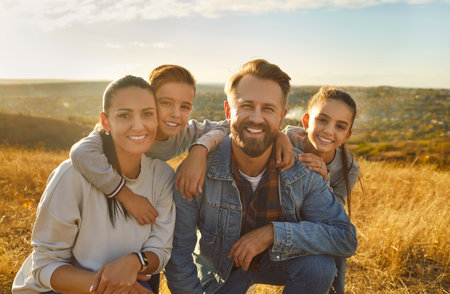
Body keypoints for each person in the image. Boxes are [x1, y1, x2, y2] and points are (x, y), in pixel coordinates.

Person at [164, 59, 358, 294]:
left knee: (319, 268)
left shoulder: (303, 170)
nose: (256, 118)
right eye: (246, 106)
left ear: (281, 117)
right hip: (220, 271)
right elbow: (179, 253)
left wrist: (273, 233)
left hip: (279, 260)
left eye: (268, 109)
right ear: (228, 111)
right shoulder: (197, 170)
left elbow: (345, 237)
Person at [12, 75, 175, 294]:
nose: (139, 125)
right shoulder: (71, 175)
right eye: (124, 115)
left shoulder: (162, 176)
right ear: (105, 121)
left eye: (147, 114)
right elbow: (44, 266)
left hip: (130, 280)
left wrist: (135, 261)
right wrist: (114, 289)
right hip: (59, 289)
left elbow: (160, 250)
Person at [283, 86, 360, 294]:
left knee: (325, 263)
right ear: (306, 121)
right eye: (322, 120)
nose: (328, 131)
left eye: (340, 126)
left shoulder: (349, 168)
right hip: (275, 221)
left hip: (306, 234)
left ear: (347, 135)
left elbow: (331, 219)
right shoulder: (286, 140)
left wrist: (322, 181)